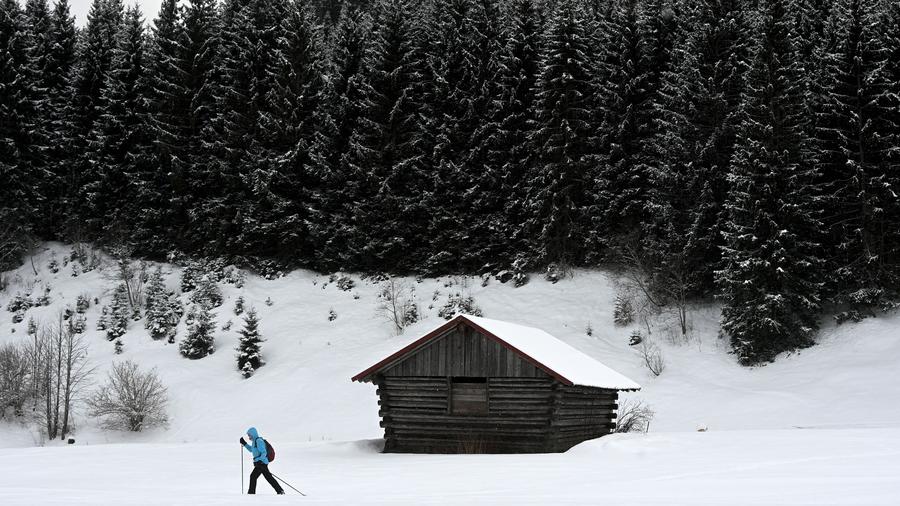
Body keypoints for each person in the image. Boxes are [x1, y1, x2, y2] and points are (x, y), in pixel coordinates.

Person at [240, 427, 285, 495]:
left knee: (253, 476)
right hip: (260, 463)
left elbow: (264, 453)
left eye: (249, 435)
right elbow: (251, 450)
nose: (249, 436)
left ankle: (251, 493)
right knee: (268, 477)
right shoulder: (254, 442)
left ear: (253, 434)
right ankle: (280, 491)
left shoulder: (259, 441)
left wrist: (259, 460)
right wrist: (244, 443)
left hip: (262, 463)